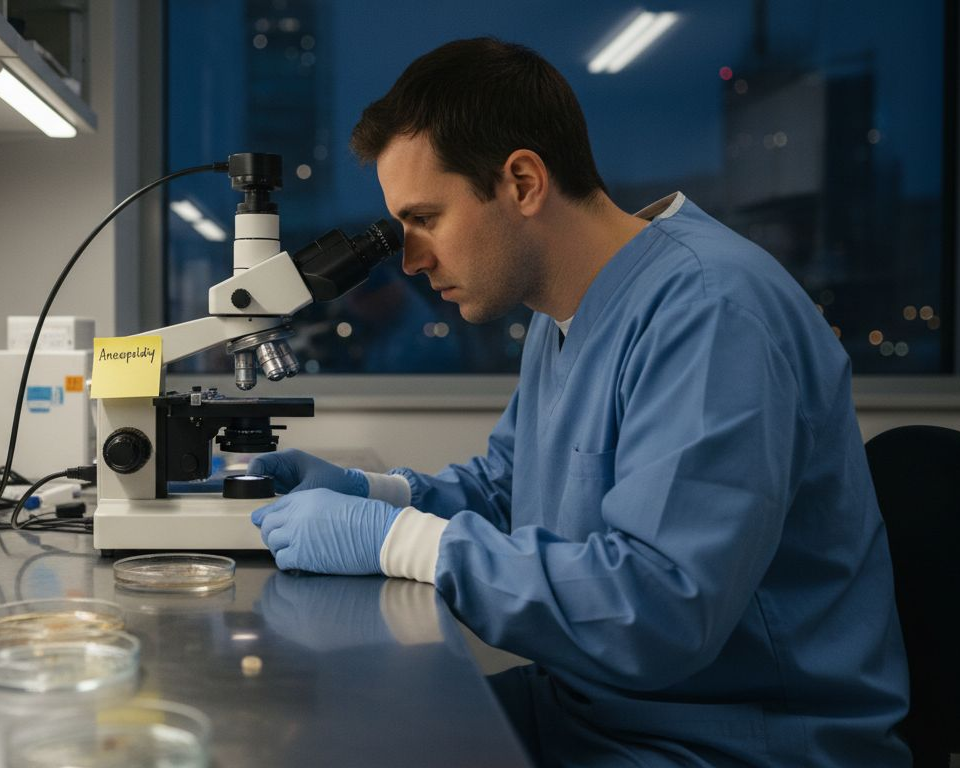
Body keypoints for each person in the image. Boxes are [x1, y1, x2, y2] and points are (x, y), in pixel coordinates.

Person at [249, 37, 909, 767]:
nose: (409, 260)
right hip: (597, 711)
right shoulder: (563, 313)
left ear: (523, 182)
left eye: (425, 218)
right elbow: (510, 490)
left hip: (728, 741)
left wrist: (395, 540)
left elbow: (660, 609)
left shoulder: (712, 310)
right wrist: (371, 492)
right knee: (322, 732)